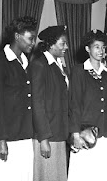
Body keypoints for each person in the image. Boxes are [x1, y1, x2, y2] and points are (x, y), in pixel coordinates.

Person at [0, 16, 37, 181]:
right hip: (5, 138)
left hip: (24, 136)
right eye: (30, 38)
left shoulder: (26, 62)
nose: (33, 43)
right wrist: (1, 139)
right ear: (17, 36)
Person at [67, 29, 107, 181]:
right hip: (84, 134)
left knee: (101, 175)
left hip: (104, 134)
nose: (101, 50)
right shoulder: (79, 71)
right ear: (87, 49)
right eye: (96, 46)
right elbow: (74, 104)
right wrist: (75, 134)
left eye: (103, 47)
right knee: (82, 174)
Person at [30, 25, 69, 181]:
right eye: (62, 43)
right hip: (47, 135)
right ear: (51, 44)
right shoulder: (39, 65)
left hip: (58, 133)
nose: (66, 47)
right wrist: (43, 138)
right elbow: (37, 103)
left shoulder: (57, 65)